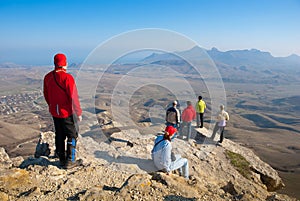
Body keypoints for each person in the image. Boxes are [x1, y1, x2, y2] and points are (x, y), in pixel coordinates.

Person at [43, 53, 83, 169]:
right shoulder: (67, 78)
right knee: (72, 135)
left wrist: (52, 106)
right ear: (65, 63)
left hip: (55, 113)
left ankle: (61, 159)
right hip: (67, 112)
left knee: (59, 135)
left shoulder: (48, 77)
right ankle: (70, 161)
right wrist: (78, 112)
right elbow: (73, 97)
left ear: (55, 63)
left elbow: (46, 95)